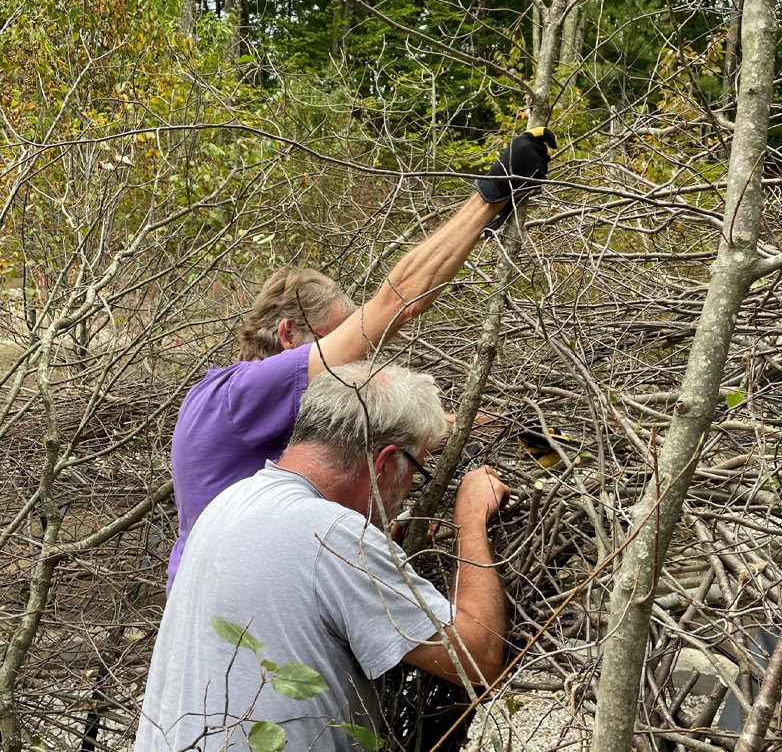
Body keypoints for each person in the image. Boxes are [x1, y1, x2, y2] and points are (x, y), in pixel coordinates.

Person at [167, 127, 555, 590]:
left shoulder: (285, 410)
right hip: (233, 604)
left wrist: (519, 430)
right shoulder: (245, 392)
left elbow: (420, 432)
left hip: (242, 591)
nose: (354, 360)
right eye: (339, 340)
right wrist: (490, 197)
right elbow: (397, 304)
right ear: (288, 333)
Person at [136, 362, 510, 751]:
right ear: (383, 462)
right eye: (417, 468)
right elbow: (478, 658)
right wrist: (470, 519)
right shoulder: (335, 537)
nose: (412, 485)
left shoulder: (231, 501)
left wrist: (383, 544)